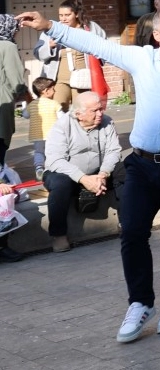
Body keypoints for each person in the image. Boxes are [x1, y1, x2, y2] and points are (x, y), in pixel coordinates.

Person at [16, 5, 160, 342]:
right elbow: (95, 45)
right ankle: (140, 303)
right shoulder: (141, 59)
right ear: (157, 36)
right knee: (133, 232)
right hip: (142, 165)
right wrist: (50, 26)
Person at [41, 91, 120, 252]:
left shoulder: (107, 122)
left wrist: (104, 173)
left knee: (126, 171)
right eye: (94, 111)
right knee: (59, 183)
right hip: (68, 174)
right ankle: (59, 235)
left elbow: (114, 151)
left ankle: (127, 224)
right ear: (79, 114)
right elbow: (55, 160)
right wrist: (83, 178)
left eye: (101, 109)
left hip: (98, 173)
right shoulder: (62, 126)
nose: (100, 113)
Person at [35, 0, 108, 105]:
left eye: (67, 15)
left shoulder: (90, 28)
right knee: (57, 108)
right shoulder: (52, 29)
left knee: (80, 110)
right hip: (59, 80)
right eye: (61, 15)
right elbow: (38, 53)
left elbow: (105, 48)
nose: (63, 19)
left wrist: (97, 61)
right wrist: (49, 46)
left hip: (83, 79)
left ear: (77, 14)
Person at [0, 15, 25, 174]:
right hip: (2, 96)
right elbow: (14, 76)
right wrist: (22, 93)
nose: (17, 31)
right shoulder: (7, 46)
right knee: (2, 136)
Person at [28, 76, 60, 178]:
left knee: (39, 152)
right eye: (53, 89)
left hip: (37, 136)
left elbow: (25, 114)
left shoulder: (32, 104)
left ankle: (39, 168)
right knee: (52, 152)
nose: (54, 91)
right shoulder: (54, 103)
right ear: (46, 91)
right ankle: (52, 169)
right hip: (52, 135)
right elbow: (62, 117)